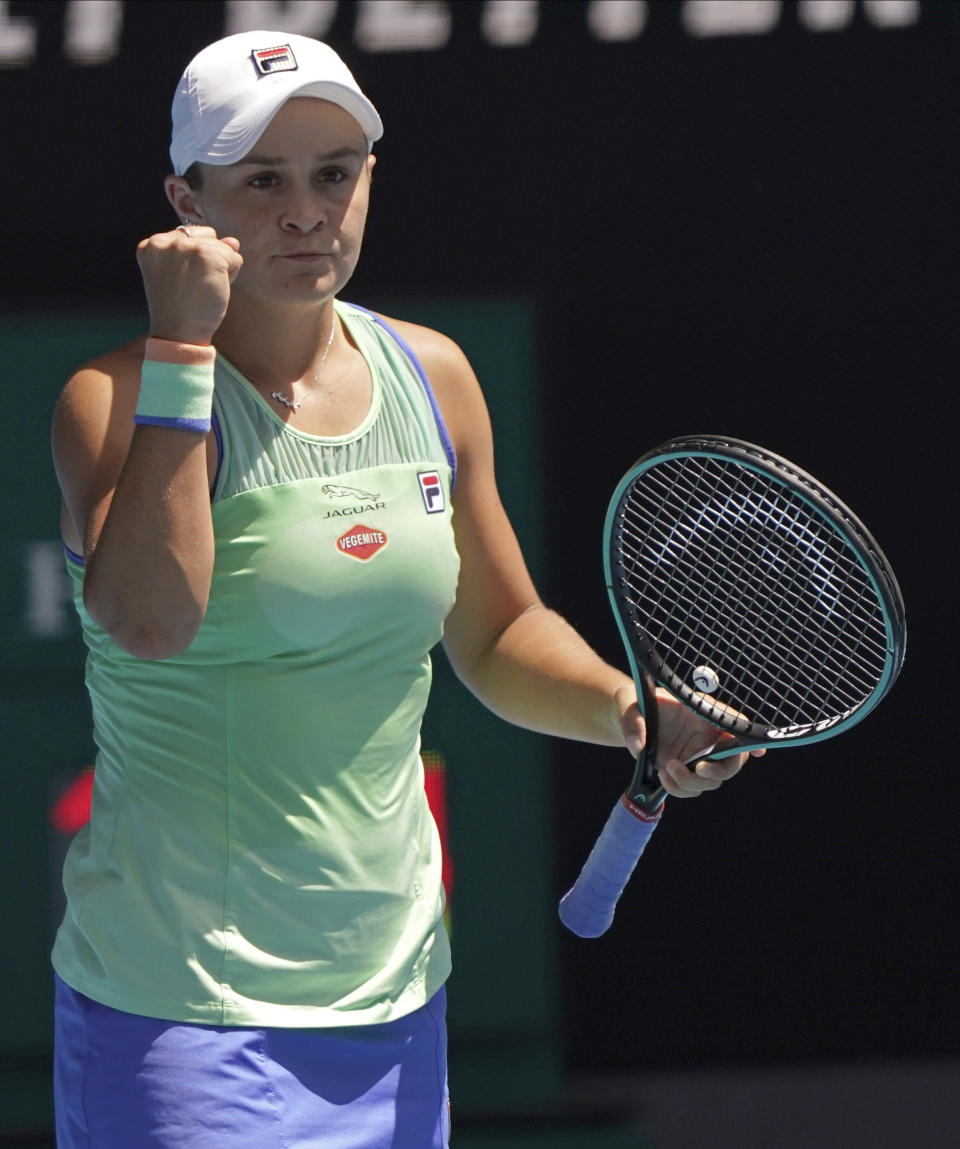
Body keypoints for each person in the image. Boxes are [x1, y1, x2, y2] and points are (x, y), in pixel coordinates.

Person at [49, 30, 760, 1149]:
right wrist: (186, 350)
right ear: (186, 202)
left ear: (370, 180)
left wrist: (633, 710)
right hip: (180, 1012)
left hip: (393, 997)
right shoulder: (112, 396)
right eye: (262, 181)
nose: (305, 212)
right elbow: (151, 620)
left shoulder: (434, 378)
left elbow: (502, 631)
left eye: (335, 173)